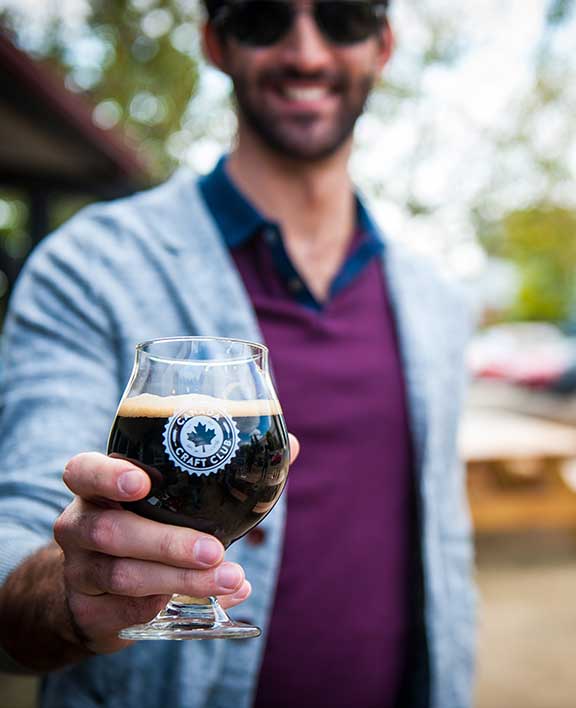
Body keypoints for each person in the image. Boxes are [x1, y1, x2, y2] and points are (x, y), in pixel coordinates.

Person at [0, 1, 476, 706]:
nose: (307, 54)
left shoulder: (435, 296)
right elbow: (14, 551)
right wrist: (75, 595)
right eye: (263, 18)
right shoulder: (91, 267)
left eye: (343, 19)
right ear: (216, 43)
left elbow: (445, 542)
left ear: (383, 46)